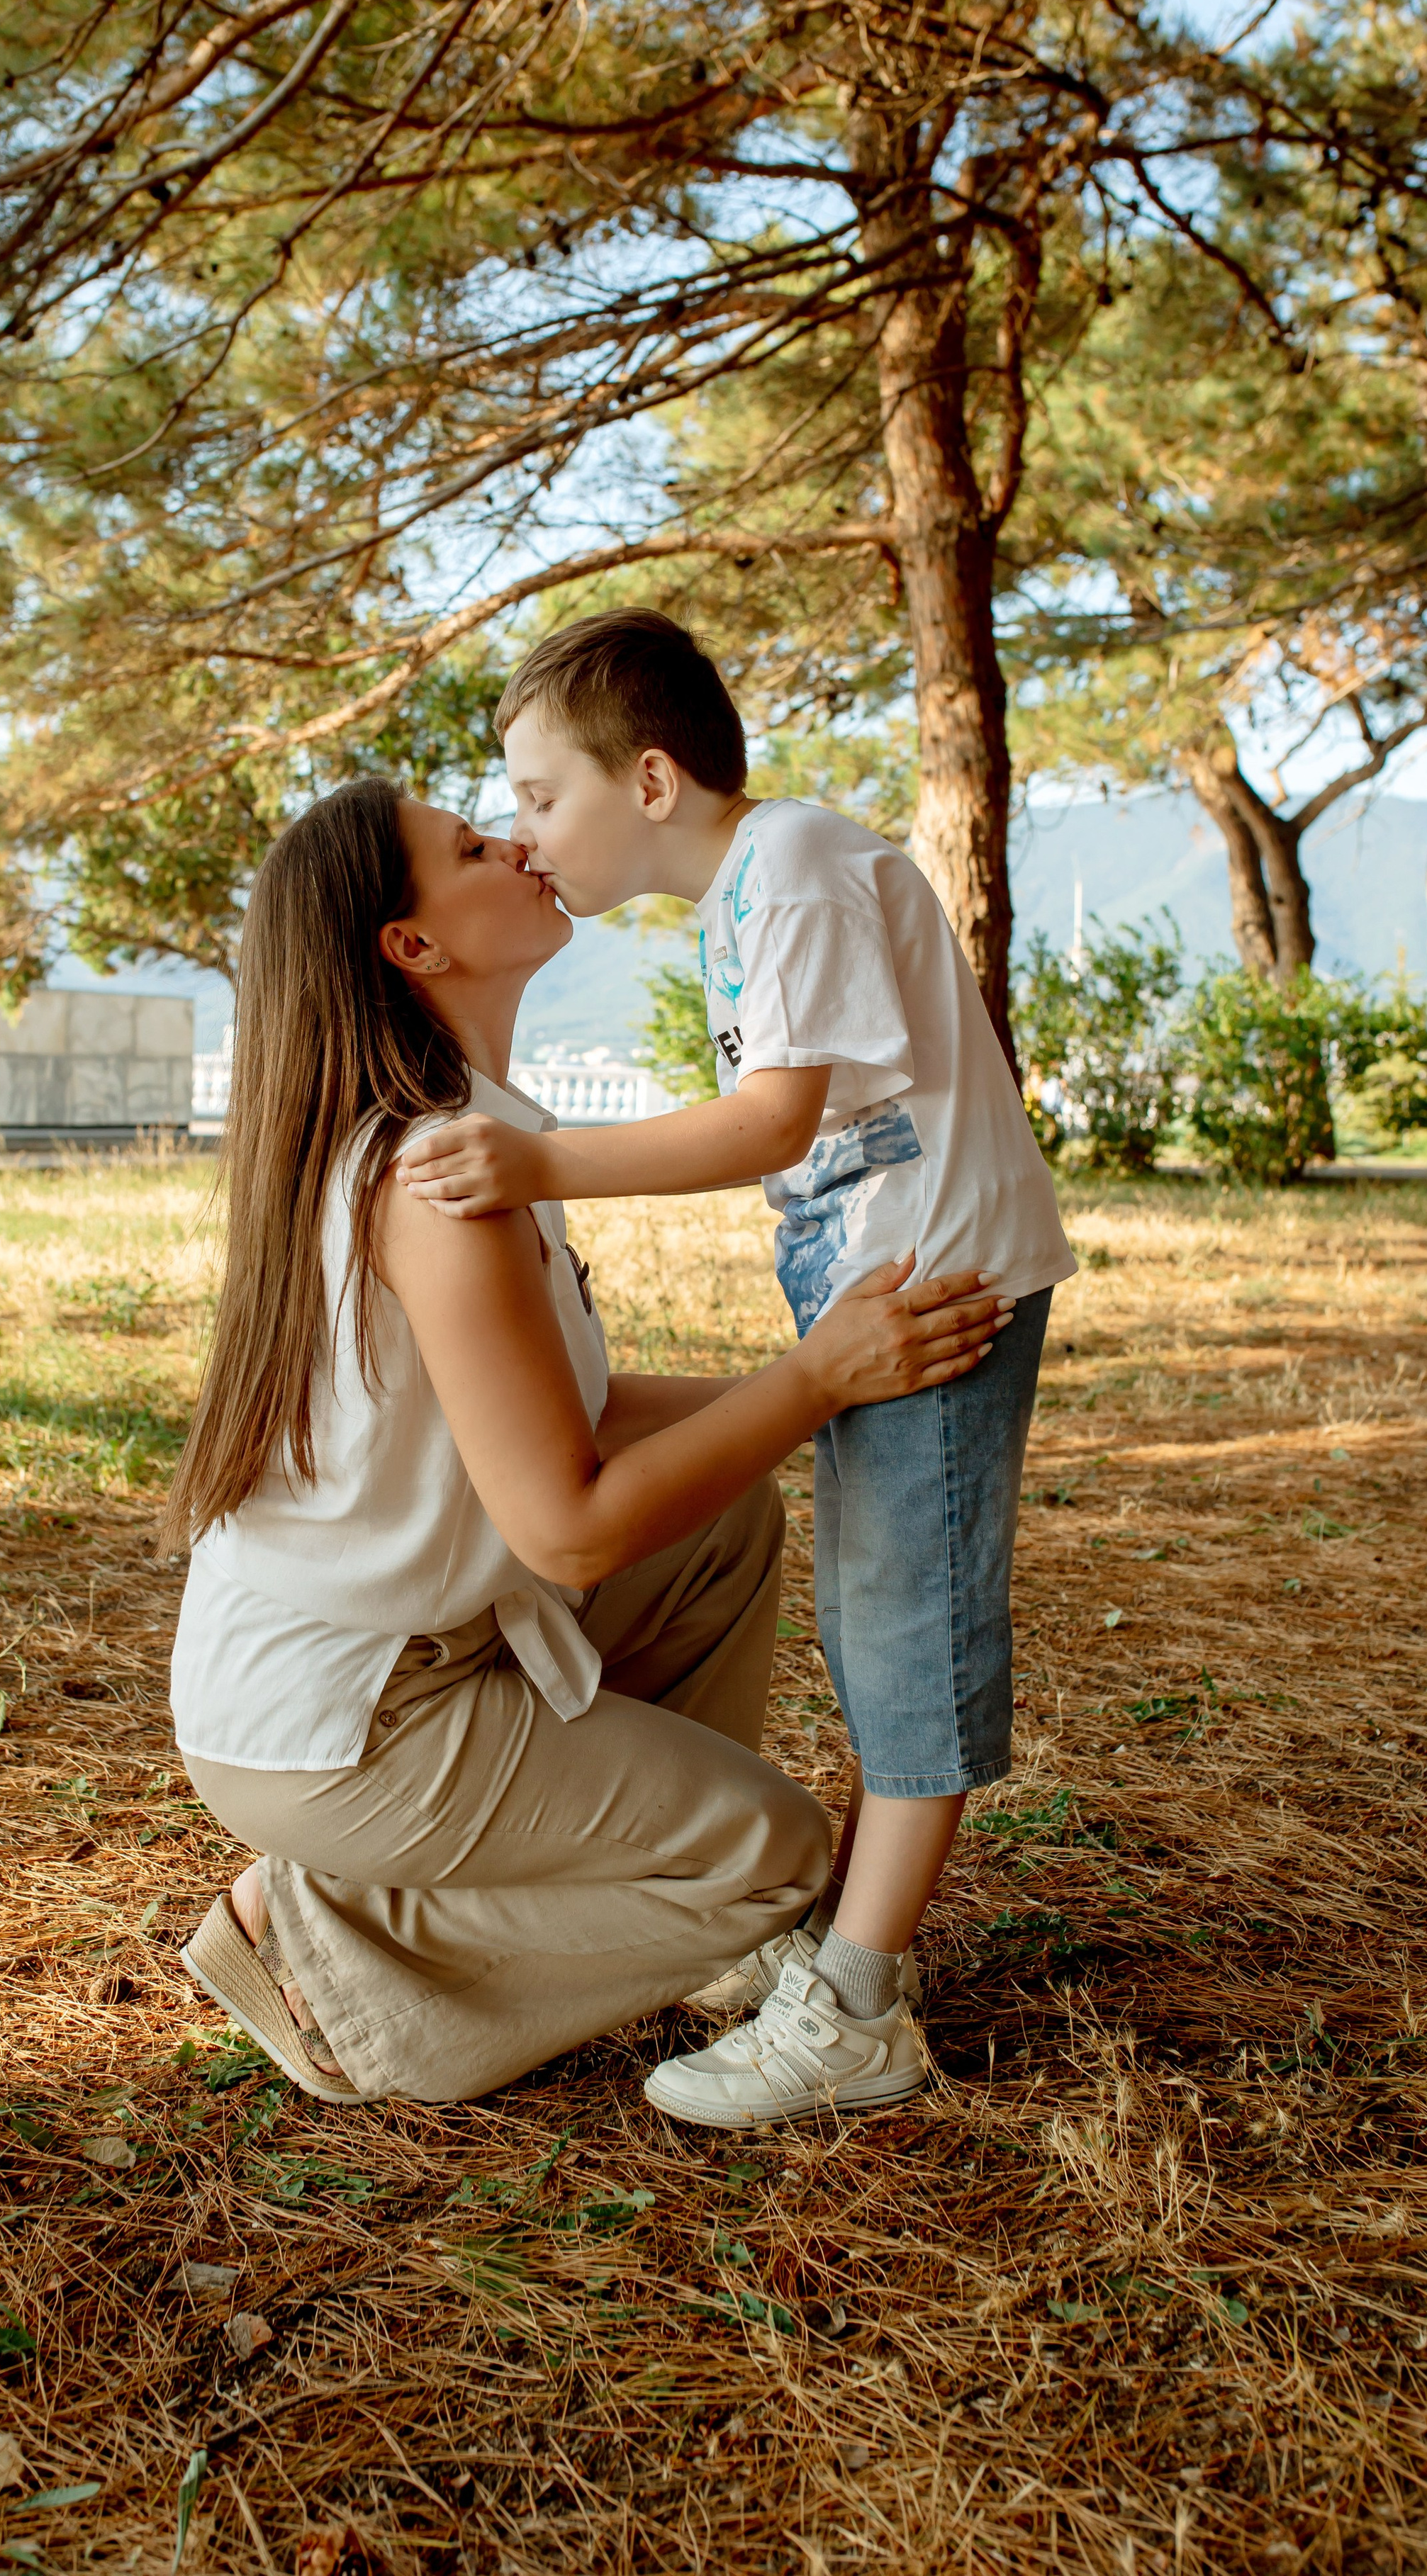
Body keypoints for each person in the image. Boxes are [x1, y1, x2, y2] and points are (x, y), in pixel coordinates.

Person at [162, 773, 1008, 2108]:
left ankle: (654, 1890)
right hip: (350, 1723)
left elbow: (585, 1418)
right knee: (777, 1859)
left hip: (414, 1662)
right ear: (414, 946)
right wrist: (809, 1382)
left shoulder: (478, 1139)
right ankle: (322, 1945)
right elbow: (567, 1524)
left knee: (725, 1520)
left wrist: (834, 1380)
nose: (518, 841)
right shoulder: (441, 1180)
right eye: (471, 847)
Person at [397, 610, 1075, 2127]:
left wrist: (540, 1161)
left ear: (646, 782)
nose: (523, 837)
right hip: (882, 1290)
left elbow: (774, 1122)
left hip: (932, 1290)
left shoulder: (802, 869)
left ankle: (854, 2008)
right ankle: (841, 1953)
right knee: (865, 1622)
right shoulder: (751, 891)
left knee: (904, 1636)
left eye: (536, 796)